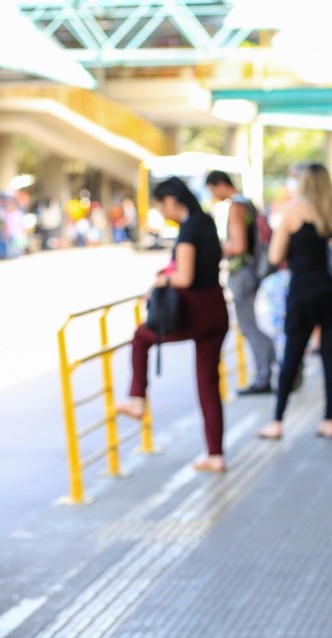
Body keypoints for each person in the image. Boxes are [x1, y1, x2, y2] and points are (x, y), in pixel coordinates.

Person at [117, 177, 230, 473]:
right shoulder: (206, 222)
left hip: (195, 310)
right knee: (209, 385)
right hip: (216, 308)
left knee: (141, 338)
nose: (160, 212)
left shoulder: (189, 229)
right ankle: (215, 454)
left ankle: (137, 398)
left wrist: (161, 280)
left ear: (170, 200)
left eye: (159, 205)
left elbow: (184, 278)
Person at [257, 163, 332, 441]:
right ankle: (329, 420)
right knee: (330, 353)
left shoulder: (293, 213)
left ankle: (277, 421)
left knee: (292, 355)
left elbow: (274, 256)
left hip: (304, 293)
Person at [206, 170, 277, 395]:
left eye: (211, 190)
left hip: (242, 273)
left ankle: (264, 376)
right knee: (252, 325)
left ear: (219, 185)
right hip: (254, 270)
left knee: (248, 327)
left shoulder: (236, 208)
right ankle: (282, 365)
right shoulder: (248, 203)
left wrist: (215, 247)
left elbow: (238, 246)